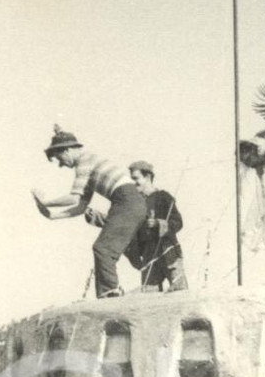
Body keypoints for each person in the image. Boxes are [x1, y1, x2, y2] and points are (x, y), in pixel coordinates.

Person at [32, 127, 148, 299]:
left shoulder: (84, 161)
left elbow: (73, 198)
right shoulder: (89, 163)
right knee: (106, 248)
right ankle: (109, 292)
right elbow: (81, 206)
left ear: (67, 150)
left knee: (103, 249)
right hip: (130, 202)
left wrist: (46, 202)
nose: (61, 164)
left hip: (126, 202)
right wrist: (52, 216)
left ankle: (110, 292)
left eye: (59, 158)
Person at [125, 161, 188, 292]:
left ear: (148, 177)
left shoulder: (163, 197)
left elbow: (178, 222)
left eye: (136, 178)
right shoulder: (134, 203)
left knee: (180, 292)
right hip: (148, 255)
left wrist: (159, 223)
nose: (133, 183)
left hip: (168, 251)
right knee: (149, 296)